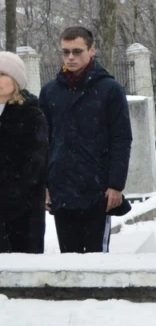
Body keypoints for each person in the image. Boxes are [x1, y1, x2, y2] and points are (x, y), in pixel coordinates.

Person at [39, 27, 132, 253]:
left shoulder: (110, 89)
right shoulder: (50, 91)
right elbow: (42, 142)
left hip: (97, 189)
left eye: (77, 51)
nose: (71, 57)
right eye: (66, 52)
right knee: (69, 259)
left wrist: (115, 185)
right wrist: (44, 184)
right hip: (62, 188)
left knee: (96, 261)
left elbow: (121, 139)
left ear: (92, 50)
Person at [0, 53, 48, 253]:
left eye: (3, 74)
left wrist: (9, 198)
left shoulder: (31, 115)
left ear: (16, 81)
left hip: (22, 212)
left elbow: (34, 165)